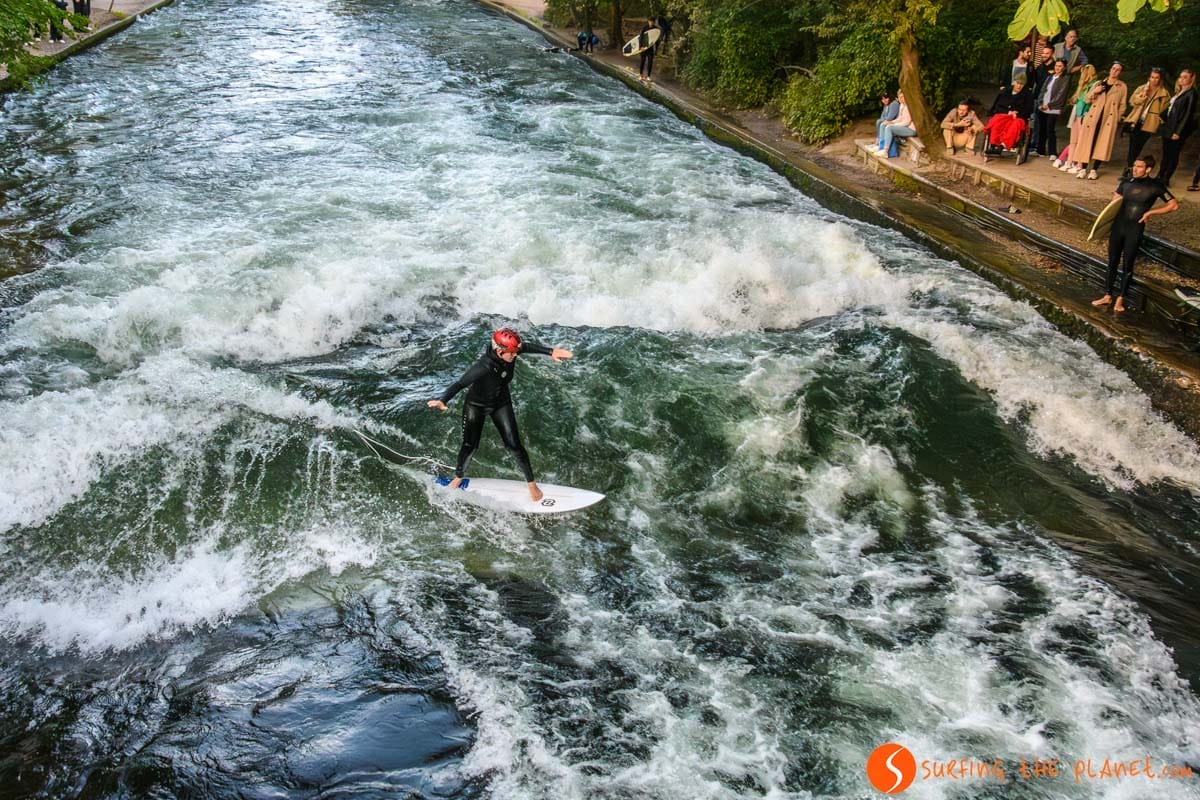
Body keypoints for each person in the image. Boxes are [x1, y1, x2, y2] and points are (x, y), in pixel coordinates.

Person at [428, 328, 574, 502]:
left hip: (500, 402)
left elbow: (524, 347)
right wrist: (443, 400)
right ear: (500, 351)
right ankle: (458, 476)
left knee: (514, 445)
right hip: (476, 406)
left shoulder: (511, 350)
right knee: (470, 446)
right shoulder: (483, 366)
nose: (515, 356)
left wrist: (551, 352)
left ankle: (532, 484)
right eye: (511, 354)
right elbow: (460, 383)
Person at [1091, 155, 1179, 313]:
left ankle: (1120, 299)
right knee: (1112, 261)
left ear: (1148, 169)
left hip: (1135, 229)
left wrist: (1151, 213)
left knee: (1128, 264)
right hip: (1118, 227)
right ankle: (1107, 295)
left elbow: (1173, 205)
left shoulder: (1155, 186)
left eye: (1139, 166)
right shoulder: (1125, 182)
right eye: (1134, 165)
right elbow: (1114, 203)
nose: (1135, 169)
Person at [1073, 62, 1127, 180]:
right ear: (1110, 70)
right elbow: (1086, 99)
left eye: (1118, 70)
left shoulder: (1121, 87)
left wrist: (1117, 118)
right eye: (1113, 68)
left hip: (1108, 118)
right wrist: (1094, 91)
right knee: (1087, 142)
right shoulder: (1099, 83)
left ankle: (1094, 169)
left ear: (1120, 72)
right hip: (1093, 117)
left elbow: (1123, 105)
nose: (1114, 71)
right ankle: (1083, 168)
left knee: (1102, 144)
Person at [1123, 68, 1170, 174]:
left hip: (1150, 123)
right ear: (1149, 77)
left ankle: (1132, 169)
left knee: (1139, 146)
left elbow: (1164, 110)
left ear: (1160, 79)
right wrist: (1143, 95)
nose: (1154, 80)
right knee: (1132, 146)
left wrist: (1157, 120)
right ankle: (1129, 169)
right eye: (1152, 77)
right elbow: (1132, 101)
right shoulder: (1141, 88)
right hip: (1136, 120)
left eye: (1157, 77)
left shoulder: (1164, 93)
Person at [1057, 63, 1098, 172]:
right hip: (1076, 113)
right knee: (1073, 141)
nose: (1081, 76)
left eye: (1083, 73)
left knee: (1081, 142)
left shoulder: (1094, 85)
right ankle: (1070, 162)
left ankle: (1079, 165)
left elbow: (1088, 100)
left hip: (1085, 114)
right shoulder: (1082, 87)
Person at [1160, 68, 1197, 185]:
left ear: (1191, 79)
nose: (1182, 79)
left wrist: (1178, 132)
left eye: (1185, 77)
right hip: (1169, 127)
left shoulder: (1192, 94)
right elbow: (1171, 110)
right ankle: (1160, 175)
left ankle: (1166, 178)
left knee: (1173, 154)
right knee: (1165, 153)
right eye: (1181, 76)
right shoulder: (1179, 92)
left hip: (1177, 129)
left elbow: (1188, 115)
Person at [981, 74, 1034, 151]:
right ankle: (994, 142)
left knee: (1016, 124)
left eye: (1021, 84)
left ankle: (1005, 143)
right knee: (997, 120)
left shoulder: (1028, 95)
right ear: (1014, 82)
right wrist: (1009, 112)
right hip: (1004, 114)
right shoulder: (1005, 91)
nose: (1019, 86)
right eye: (1018, 83)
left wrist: (1016, 114)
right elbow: (998, 106)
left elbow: (1028, 109)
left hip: (1018, 117)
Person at [1035, 58, 1070, 158]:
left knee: (1050, 129)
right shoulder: (1050, 77)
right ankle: (1040, 150)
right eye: (1056, 66)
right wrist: (1041, 102)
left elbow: (1061, 94)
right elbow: (1043, 90)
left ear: (1064, 68)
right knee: (1042, 128)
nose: (1057, 68)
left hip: (1054, 108)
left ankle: (1052, 152)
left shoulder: (1065, 79)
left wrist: (1049, 105)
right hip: (1043, 106)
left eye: (1060, 66)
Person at [874, 89, 916, 158]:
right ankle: (881, 147)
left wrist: (893, 124)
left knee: (889, 127)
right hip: (905, 127)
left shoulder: (909, 106)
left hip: (911, 129)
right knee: (885, 124)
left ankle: (885, 151)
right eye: (899, 97)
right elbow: (900, 118)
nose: (901, 99)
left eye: (902, 97)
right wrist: (892, 122)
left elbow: (906, 122)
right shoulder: (902, 105)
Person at [875, 91, 901, 155]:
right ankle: (880, 144)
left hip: (894, 122)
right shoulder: (886, 105)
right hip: (890, 122)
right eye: (882, 99)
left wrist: (884, 119)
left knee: (881, 123)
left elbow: (890, 117)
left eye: (886, 98)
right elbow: (882, 116)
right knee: (879, 122)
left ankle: (882, 146)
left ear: (890, 97)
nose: (884, 100)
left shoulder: (894, 104)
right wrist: (884, 119)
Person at [638, 17, 659, 82]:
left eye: (653, 21)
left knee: (650, 62)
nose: (651, 22)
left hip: (650, 48)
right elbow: (640, 37)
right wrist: (640, 47)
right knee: (642, 61)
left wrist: (656, 49)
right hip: (644, 47)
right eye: (650, 21)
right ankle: (641, 75)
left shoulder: (655, 29)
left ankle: (648, 76)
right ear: (648, 21)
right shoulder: (644, 28)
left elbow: (656, 39)